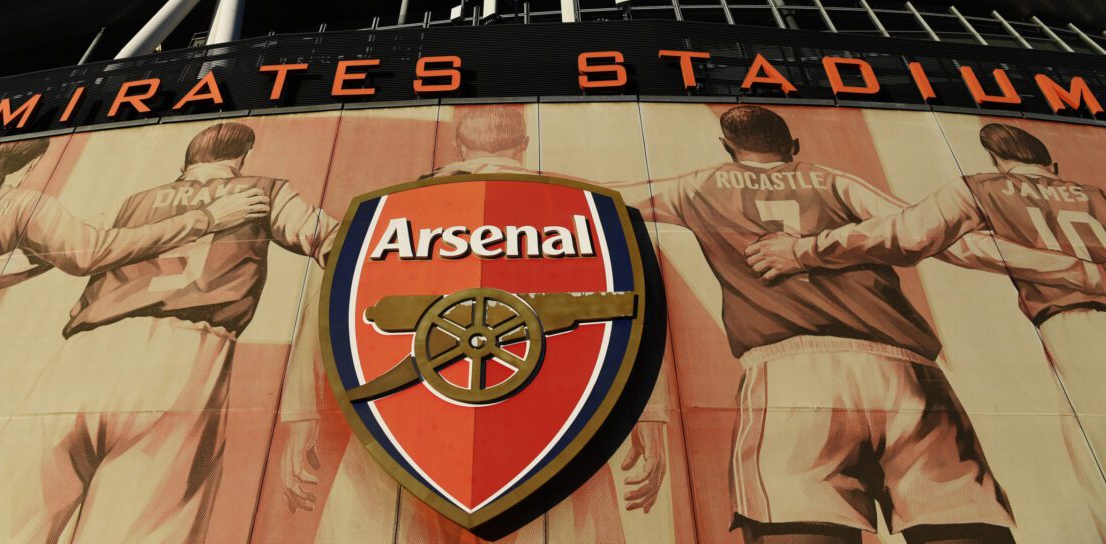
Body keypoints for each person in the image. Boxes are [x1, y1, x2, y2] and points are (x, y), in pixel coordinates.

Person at [614, 104, 1014, 544]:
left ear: (727, 148)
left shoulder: (695, 186)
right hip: (908, 372)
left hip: (794, 374)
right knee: (960, 525)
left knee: (799, 525)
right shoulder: (833, 180)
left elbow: (607, 198)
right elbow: (924, 233)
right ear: (794, 147)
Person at [279, 104, 668, 541]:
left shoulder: (385, 213)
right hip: (553, 421)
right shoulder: (585, 212)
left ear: (458, 145)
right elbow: (639, 317)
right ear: (523, 145)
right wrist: (649, 416)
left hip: (400, 425)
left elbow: (327, 312)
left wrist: (301, 417)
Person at [0, 122, 338, 544]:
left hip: (84, 353)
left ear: (185, 164)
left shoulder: (134, 201)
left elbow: (50, 254)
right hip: (185, 356)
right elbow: (333, 240)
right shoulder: (263, 191)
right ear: (241, 159)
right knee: (142, 529)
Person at [746, 122, 1106, 516]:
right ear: (1051, 165)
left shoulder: (980, 187)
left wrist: (804, 250)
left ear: (997, 161)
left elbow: (907, 235)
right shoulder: (1097, 195)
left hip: (1077, 323)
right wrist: (1068, 266)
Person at [0, 137, 266, 481]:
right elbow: (89, 253)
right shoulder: (27, 206)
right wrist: (205, 219)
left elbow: (21, 263)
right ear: (33, 163)